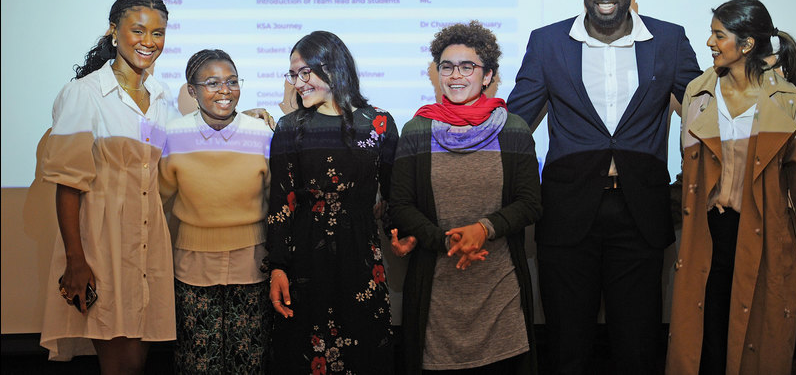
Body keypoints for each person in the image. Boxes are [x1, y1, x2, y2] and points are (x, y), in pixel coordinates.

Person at [506, 0, 702, 374]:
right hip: (566, 213)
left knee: (637, 345)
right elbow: (515, 123)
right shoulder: (548, 42)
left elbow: (703, 113)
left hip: (641, 215)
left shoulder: (668, 40)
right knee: (567, 344)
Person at [390, 20, 542, 374]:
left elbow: (530, 202)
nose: (455, 75)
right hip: (436, 296)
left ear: (488, 75)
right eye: (447, 66)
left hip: (501, 291)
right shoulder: (416, 131)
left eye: (467, 66)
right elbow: (401, 206)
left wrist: (483, 229)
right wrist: (447, 241)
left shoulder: (514, 130)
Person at [40, 0, 177, 373]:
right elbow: (68, 184)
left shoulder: (162, 98)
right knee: (123, 363)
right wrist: (75, 260)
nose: (149, 42)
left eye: (159, 33)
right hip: (102, 246)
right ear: (114, 32)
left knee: (137, 357)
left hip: (149, 246)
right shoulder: (83, 94)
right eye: (138, 30)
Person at [665, 0, 796, 375]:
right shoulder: (698, 93)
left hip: (764, 234)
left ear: (747, 45)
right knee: (706, 340)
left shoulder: (787, 101)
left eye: (719, 35)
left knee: (758, 340)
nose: (709, 42)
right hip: (708, 234)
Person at [267, 31, 398, 374]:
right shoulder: (289, 128)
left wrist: (401, 231)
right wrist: (278, 266)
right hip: (305, 263)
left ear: (332, 67)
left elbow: (394, 194)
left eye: (304, 73)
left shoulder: (378, 123)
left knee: (366, 354)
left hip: (361, 261)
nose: (298, 82)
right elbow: (281, 203)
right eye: (293, 75)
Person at [159, 49, 272, 374]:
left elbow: (276, 200)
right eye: (212, 83)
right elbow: (158, 198)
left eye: (232, 81)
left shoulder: (261, 133)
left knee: (249, 362)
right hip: (192, 265)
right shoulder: (174, 134)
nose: (225, 90)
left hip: (252, 263)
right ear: (192, 90)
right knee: (198, 362)